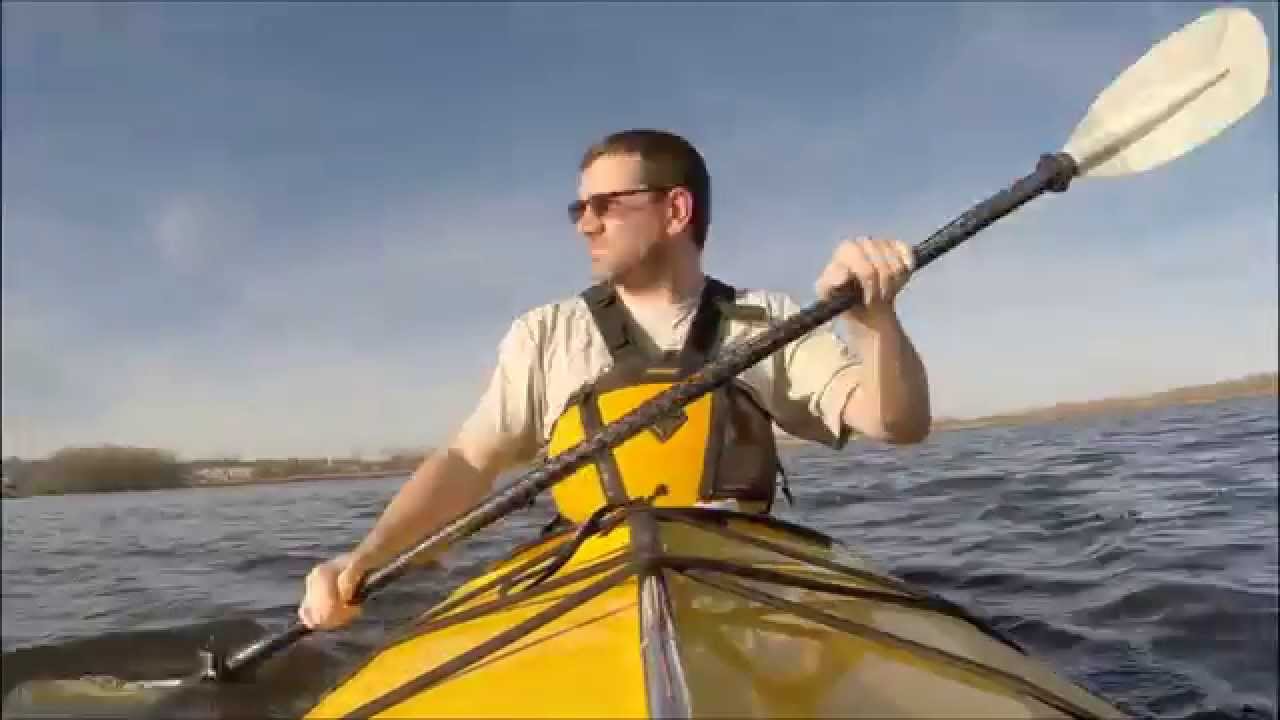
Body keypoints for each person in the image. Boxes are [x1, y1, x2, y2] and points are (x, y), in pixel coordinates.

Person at [297, 129, 931, 631]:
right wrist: (365, 557)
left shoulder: (763, 319)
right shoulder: (546, 332)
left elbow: (897, 422)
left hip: (741, 578)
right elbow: (468, 460)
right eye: (580, 208)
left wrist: (873, 321)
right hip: (589, 580)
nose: (585, 223)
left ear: (675, 209)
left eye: (605, 205)